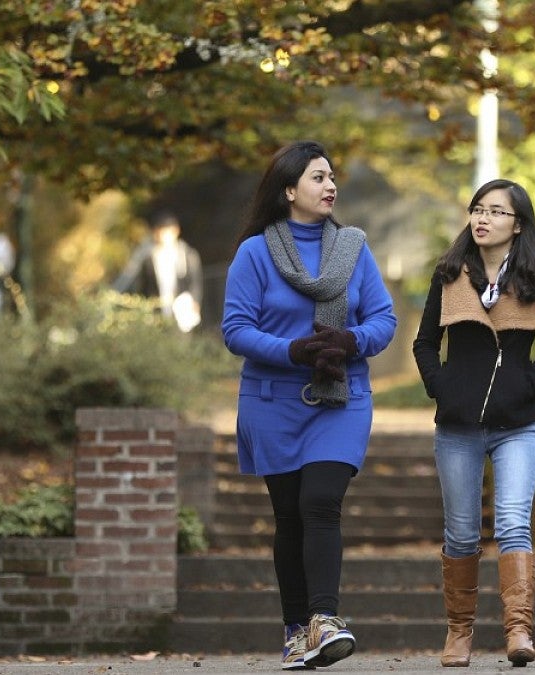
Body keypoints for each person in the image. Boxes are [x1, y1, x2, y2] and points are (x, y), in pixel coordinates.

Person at [221, 140, 397, 670]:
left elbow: (384, 320)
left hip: (341, 399)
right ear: (289, 189)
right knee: (289, 518)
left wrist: (350, 342)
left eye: (332, 176)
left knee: (321, 502)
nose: (330, 186)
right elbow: (235, 330)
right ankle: (297, 632)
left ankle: (325, 618)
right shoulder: (254, 253)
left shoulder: (353, 247)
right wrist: (293, 350)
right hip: (273, 401)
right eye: (318, 178)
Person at [412, 178, 535, 668]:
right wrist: (443, 386)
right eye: (477, 209)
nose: (482, 218)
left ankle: (518, 632)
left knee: (513, 524)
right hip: (458, 426)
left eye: (496, 212)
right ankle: (459, 633)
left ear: (517, 224)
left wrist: (525, 386)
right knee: (460, 534)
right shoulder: (450, 275)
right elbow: (423, 344)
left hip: (518, 424)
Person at [112, 210, 204, 332]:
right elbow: (140, 284)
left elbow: (195, 283)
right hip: (156, 314)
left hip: (182, 313)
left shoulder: (187, 255)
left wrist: (195, 302)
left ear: (175, 231)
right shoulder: (148, 257)